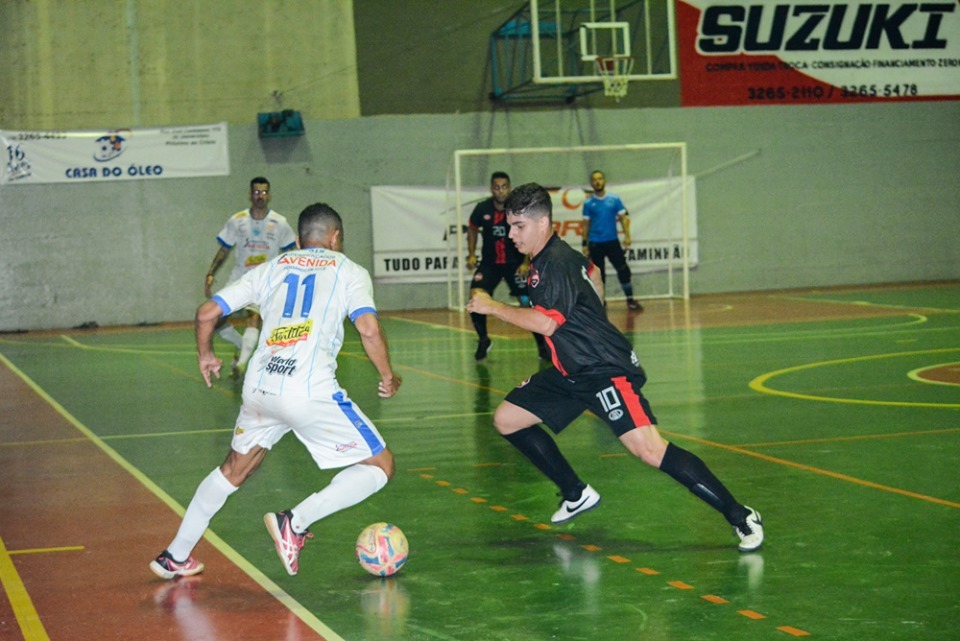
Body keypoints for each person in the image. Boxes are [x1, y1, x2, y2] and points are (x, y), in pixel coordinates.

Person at [467, 183, 763, 552]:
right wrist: (593, 317)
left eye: (518, 226)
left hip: (603, 370)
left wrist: (492, 307)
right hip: (570, 371)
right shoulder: (557, 258)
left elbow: (545, 325)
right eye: (509, 226)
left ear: (543, 223)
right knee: (508, 419)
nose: (511, 234)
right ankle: (575, 493)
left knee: (650, 450)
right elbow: (593, 273)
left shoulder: (554, 263)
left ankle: (740, 515)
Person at [150, 203, 402, 580]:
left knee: (234, 470)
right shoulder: (349, 271)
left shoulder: (272, 268)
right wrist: (387, 375)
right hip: (307, 389)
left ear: (299, 241)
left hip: (260, 386)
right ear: (336, 238)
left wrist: (205, 354)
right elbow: (367, 328)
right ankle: (294, 522)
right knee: (380, 466)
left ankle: (174, 556)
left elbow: (206, 313)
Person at [204, 176, 297, 378]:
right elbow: (224, 249)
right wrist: (211, 272)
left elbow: (293, 250)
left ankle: (242, 364)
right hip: (239, 278)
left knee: (253, 317)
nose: (260, 196)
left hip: (264, 280)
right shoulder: (237, 220)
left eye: (264, 192)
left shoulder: (280, 223)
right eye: (256, 192)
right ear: (250, 194)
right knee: (215, 319)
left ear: (269, 195)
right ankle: (243, 345)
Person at [466, 171, 549, 362]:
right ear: (491, 189)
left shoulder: (518, 210)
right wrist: (471, 254)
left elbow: (531, 236)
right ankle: (483, 339)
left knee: (528, 302)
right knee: (475, 296)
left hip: (515, 264)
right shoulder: (482, 208)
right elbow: (471, 228)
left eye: (504, 187)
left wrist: (526, 262)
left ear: (509, 188)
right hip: (490, 264)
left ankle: (542, 346)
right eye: (496, 187)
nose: (500, 191)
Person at [581, 170, 643, 311]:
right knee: (599, 274)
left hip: (612, 242)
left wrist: (627, 237)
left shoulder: (614, 199)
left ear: (604, 181)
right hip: (595, 243)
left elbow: (623, 218)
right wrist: (584, 244)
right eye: (595, 179)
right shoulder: (589, 203)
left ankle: (630, 300)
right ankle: (601, 303)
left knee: (623, 270)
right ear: (591, 183)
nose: (598, 181)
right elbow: (585, 225)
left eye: (600, 179)